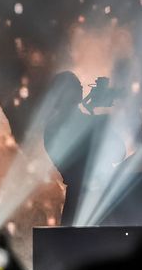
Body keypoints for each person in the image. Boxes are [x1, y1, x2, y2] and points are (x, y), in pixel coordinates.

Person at [43, 71, 124, 226]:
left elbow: (119, 152)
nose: (79, 90)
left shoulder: (90, 121)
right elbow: (73, 168)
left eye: (78, 86)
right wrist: (97, 119)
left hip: (100, 201)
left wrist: (99, 118)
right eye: (71, 88)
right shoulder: (54, 128)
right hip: (79, 204)